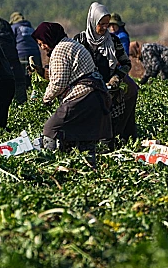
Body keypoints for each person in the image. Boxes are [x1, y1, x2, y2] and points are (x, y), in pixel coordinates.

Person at [32, 21, 112, 166]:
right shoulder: (71, 44)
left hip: (81, 97)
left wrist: (46, 99)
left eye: (42, 43)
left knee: (50, 128)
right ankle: (88, 169)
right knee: (83, 138)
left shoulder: (60, 50)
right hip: (95, 96)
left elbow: (58, 82)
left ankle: (48, 165)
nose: (42, 47)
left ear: (49, 37)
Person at [74, 2, 138, 144]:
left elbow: (126, 63)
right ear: (92, 21)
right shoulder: (79, 41)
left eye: (107, 24)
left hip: (110, 90)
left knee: (110, 128)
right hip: (86, 90)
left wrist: (117, 77)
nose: (105, 28)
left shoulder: (113, 41)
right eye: (101, 24)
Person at [10, 11, 43, 91]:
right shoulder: (30, 28)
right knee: (36, 77)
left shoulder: (14, 27)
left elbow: (11, 41)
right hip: (35, 54)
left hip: (21, 54)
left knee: (22, 79)